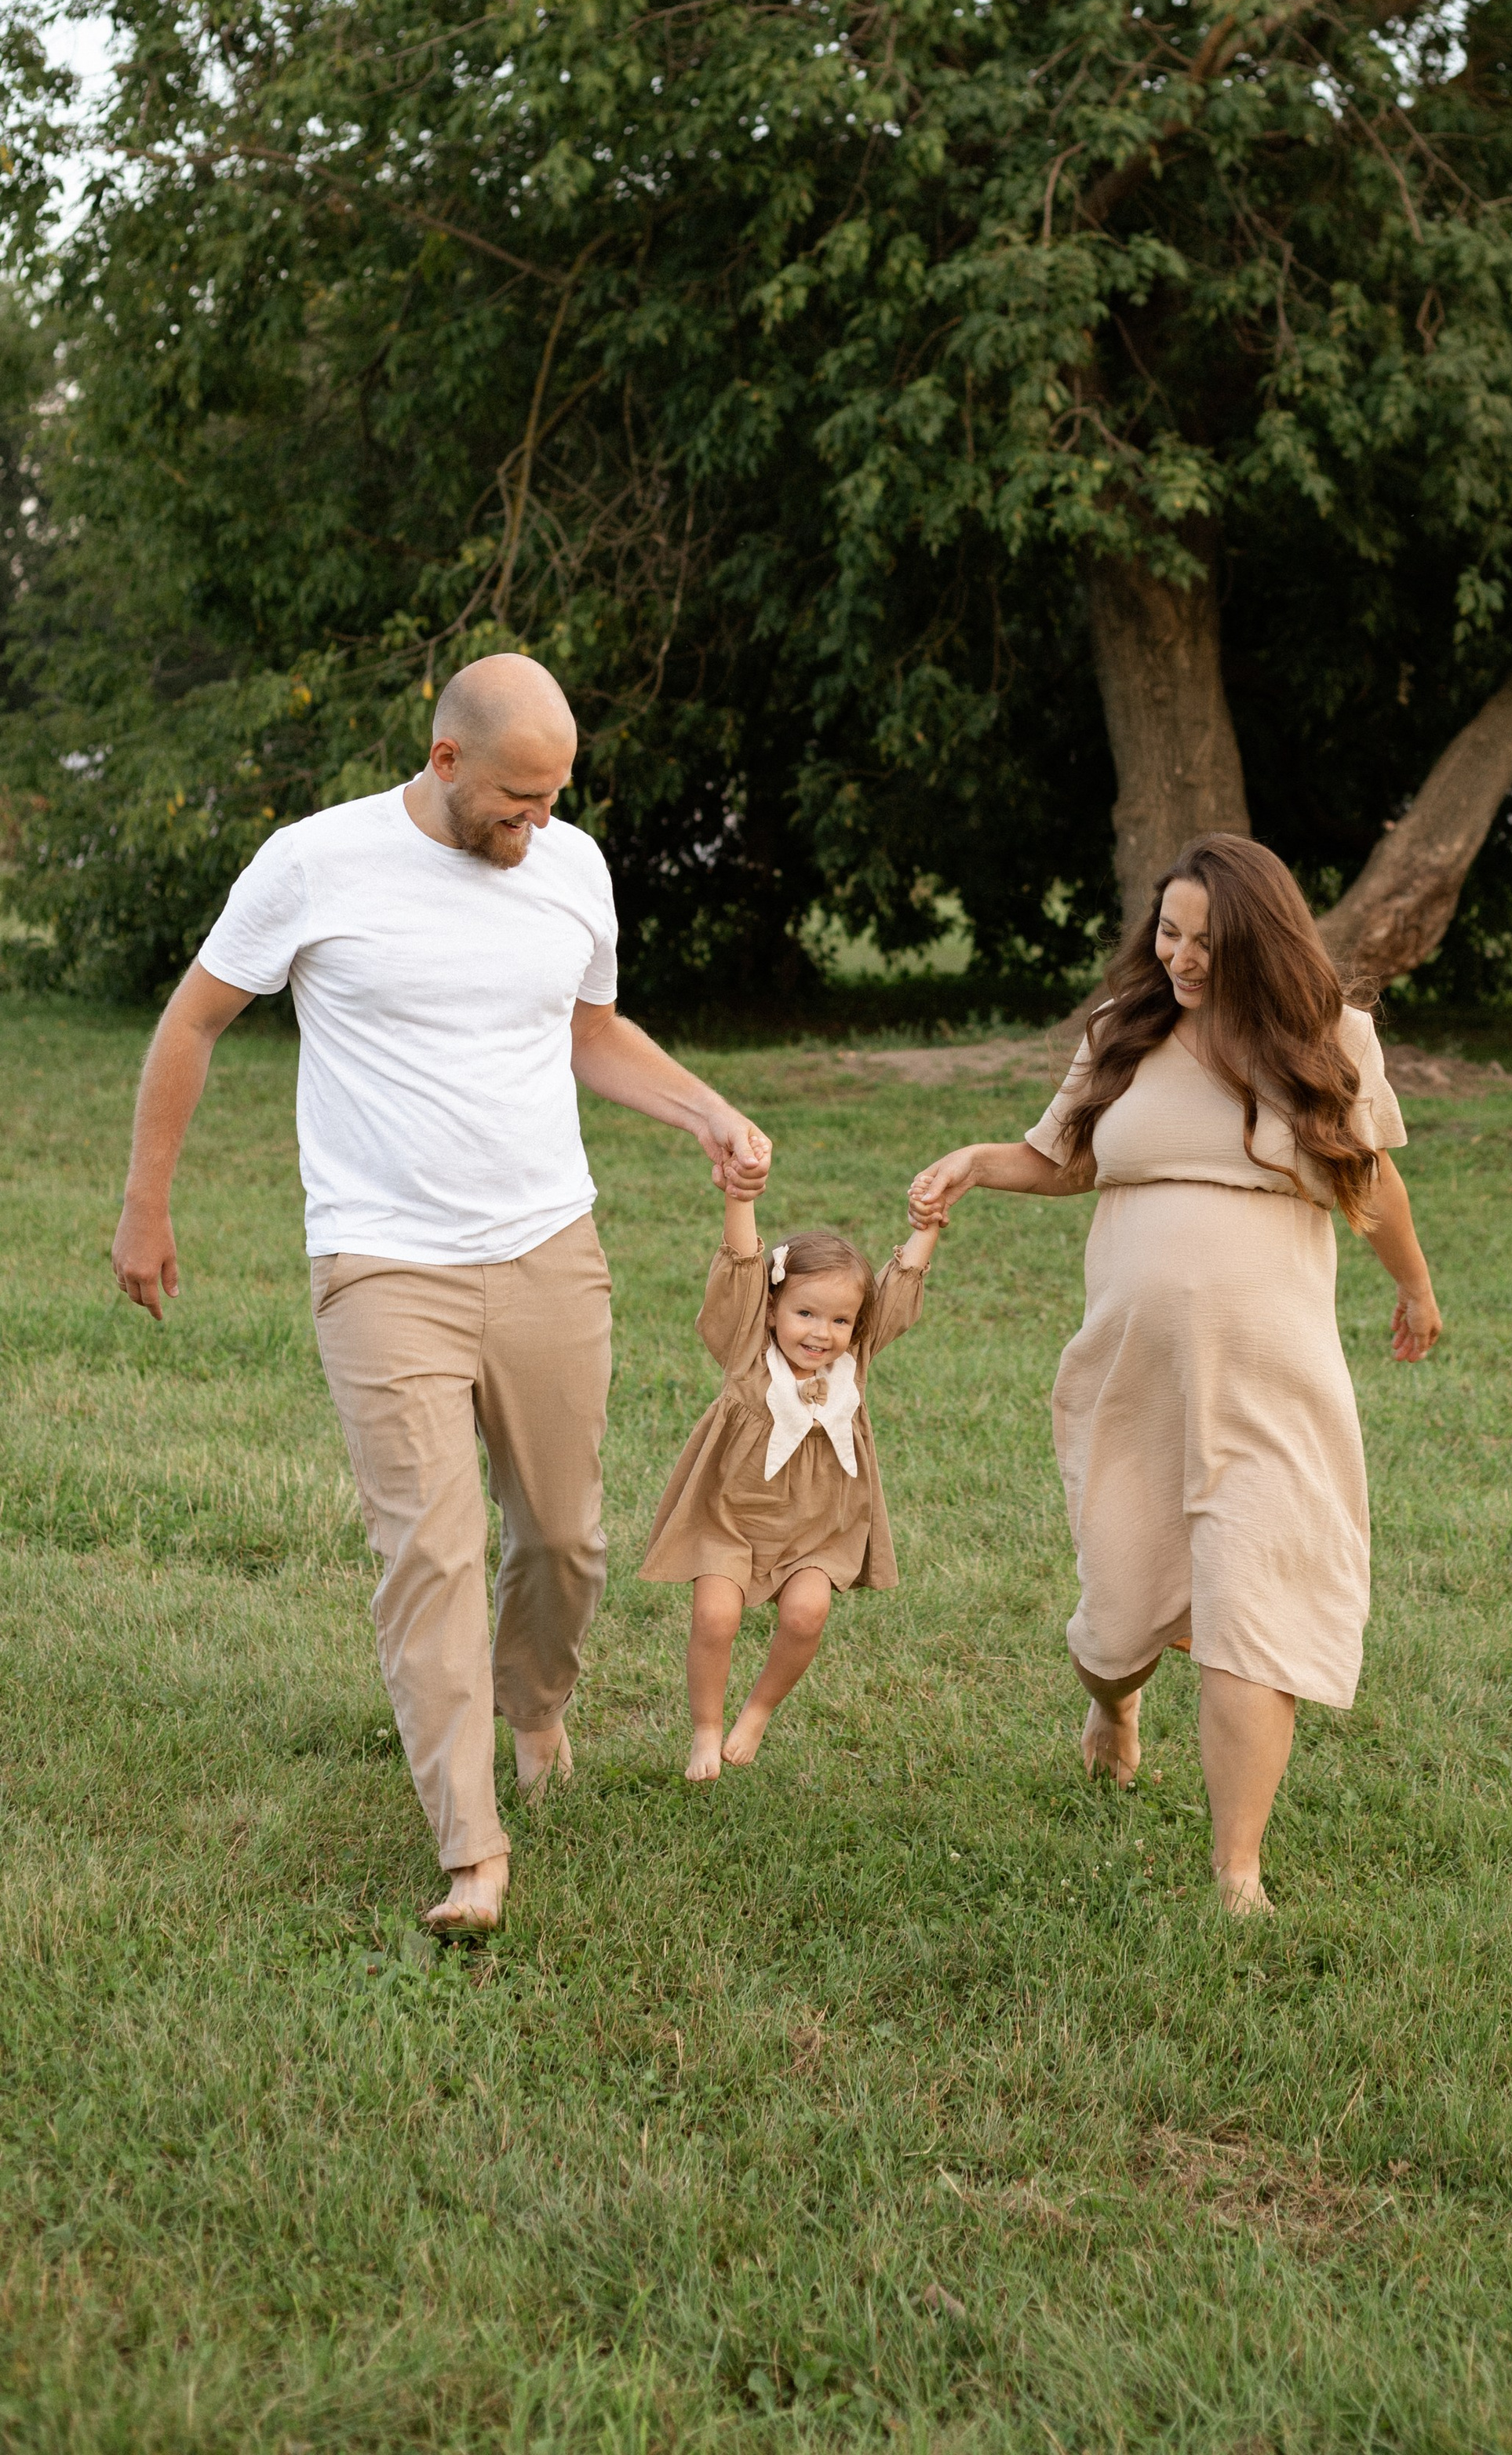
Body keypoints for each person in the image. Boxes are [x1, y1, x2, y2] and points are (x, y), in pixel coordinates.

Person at [109, 653, 771, 1937]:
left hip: (547, 1247)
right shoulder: (314, 864)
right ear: (448, 760)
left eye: (555, 798)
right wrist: (147, 1201)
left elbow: (588, 1029)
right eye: (517, 800)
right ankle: (471, 1849)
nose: (539, 824)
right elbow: (192, 1022)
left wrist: (703, 1107)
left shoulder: (571, 867)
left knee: (566, 1539)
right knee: (433, 1548)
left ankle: (536, 1708)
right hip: (381, 1259)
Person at [908, 832, 1442, 1916]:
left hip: (1275, 1381)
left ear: (1262, 940)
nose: (1184, 958)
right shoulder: (1125, 1031)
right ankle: (1114, 1704)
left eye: (1208, 940)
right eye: (1170, 933)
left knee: (1254, 1602)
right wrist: (973, 1163)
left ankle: (1236, 1869)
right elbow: (1066, 1160)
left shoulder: (1328, 1039)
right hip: (1138, 1375)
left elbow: (1372, 1183)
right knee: (1119, 1618)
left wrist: (1417, 1293)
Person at [641, 1187, 939, 1779]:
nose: (821, 1333)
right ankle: (705, 1729)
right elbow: (740, 1266)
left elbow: (900, 1292)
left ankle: (756, 1712)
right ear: (772, 1308)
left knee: (807, 1614)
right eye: (805, 1313)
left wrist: (928, 1226)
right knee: (715, 1618)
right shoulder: (746, 1353)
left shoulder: (854, 1362)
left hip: (817, 1530)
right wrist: (739, 1194)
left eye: (840, 1320)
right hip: (729, 1519)